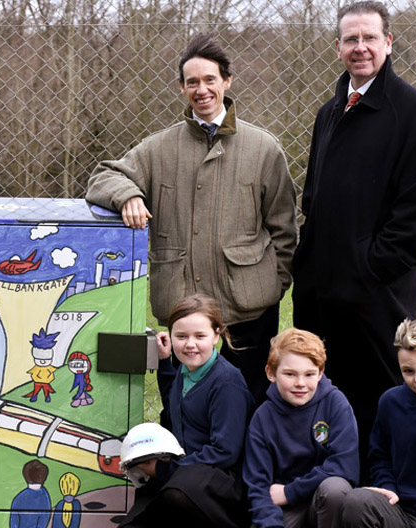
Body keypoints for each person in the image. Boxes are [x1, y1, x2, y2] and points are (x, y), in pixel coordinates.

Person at [86, 33, 296, 404]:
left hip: (246, 308)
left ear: (226, 82)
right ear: (182, 88)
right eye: (193, 82)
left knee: (249, 401)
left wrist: (271, 283)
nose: (202, 90)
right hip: (184, 311)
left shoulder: (263, 148)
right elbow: (103, 176)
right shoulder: (157, 149)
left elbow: (284, 228)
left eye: (210, 80)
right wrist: (128, 194)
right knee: (184, 403)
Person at [291, 0, 416, 464]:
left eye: (369, 38)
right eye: (351, 40)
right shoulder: (330, 113)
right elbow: (313, 200)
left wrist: (370, 268)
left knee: (381, 403)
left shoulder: (413, 110)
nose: (360, 48)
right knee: (322, 407)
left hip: (377, 298)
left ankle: (385, 498)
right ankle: (326, 491)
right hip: (321, 296)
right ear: (338, 47)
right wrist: (309, 265)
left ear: (388, 43)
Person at [117, 293, 254, 527]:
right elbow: (177, 404)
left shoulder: (227, 383)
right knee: (136, 517)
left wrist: (164, 468)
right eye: (181, 336)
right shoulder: (185, 370)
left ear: (216, 335)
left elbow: (225, 451)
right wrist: (164, 362)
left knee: (176, 494)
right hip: (185, 468)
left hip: (220, 478)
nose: (190, 344)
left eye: (200, 336)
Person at [341, 318, 416, 528]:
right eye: (408, 371)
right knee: (357, 502)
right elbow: (379, 457)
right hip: (403, 513)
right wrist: (387, 488)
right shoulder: (391, 402)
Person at [244, 328, 359, 528]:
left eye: (309, 374)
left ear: (320, 373)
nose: (300, 383)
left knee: (335, 487)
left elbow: (345, 466)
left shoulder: (335, 403)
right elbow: (258, 486)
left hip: (319, 498)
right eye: (290, 374)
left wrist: (290, 492)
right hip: (284, 509)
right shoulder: (262, 418)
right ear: (271, 373)